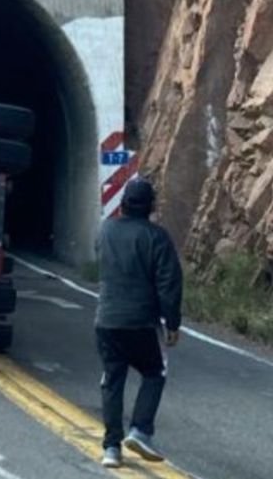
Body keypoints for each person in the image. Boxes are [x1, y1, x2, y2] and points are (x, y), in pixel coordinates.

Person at [95, 177, 183, 469]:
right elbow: (169, 283)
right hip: (142, 322)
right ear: (151, 206)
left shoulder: (105, 230)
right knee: (155, 371)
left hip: (106, 319)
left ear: (123, 204)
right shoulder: (156, 237)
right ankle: (140, 430)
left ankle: (111, 448)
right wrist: (172, 323)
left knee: (112, 380)